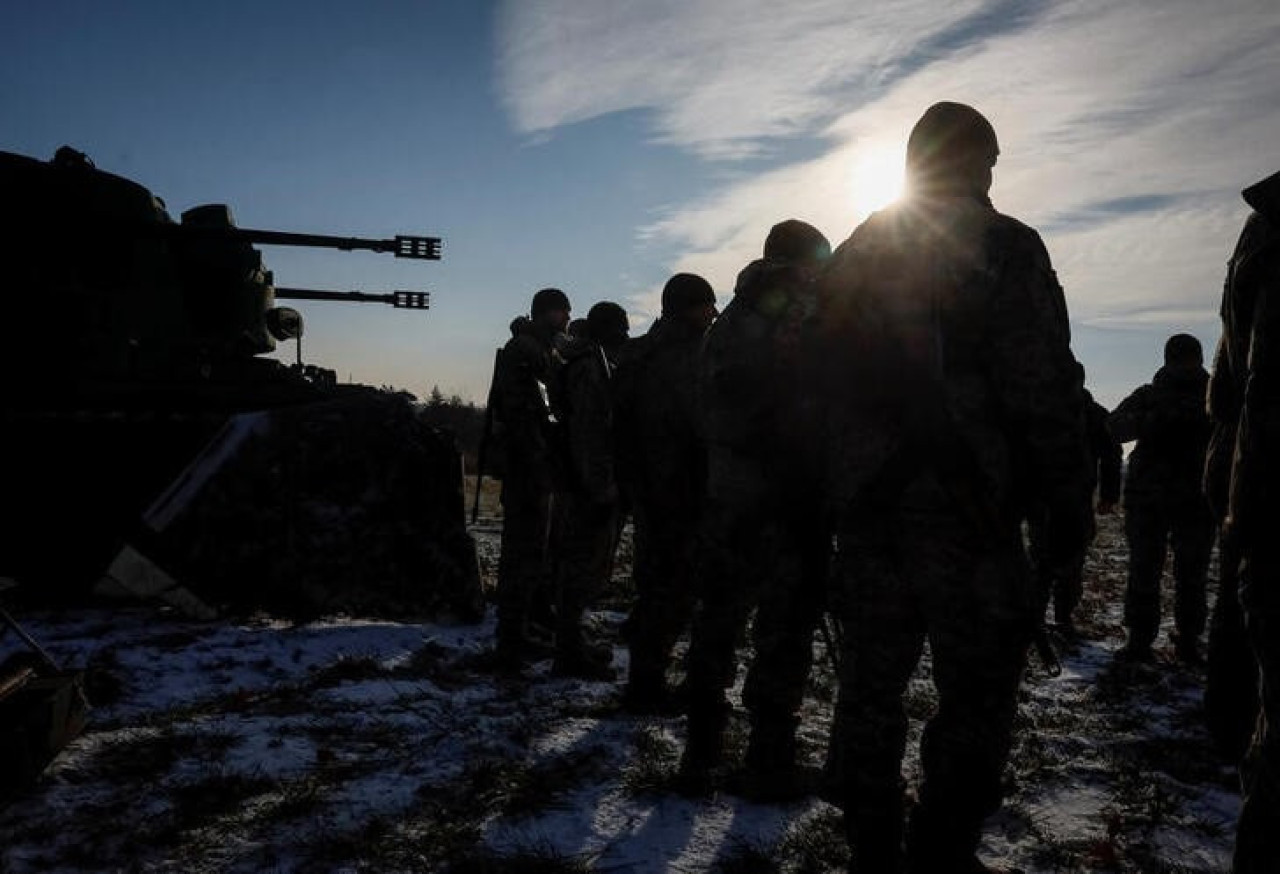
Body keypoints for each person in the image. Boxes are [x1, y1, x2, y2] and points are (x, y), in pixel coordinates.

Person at [816, 102, 1090, 873]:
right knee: (975, 692)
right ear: (980, 163)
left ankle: (870, 843)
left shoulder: (856, 250)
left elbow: (812, 374)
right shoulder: (1005, 245)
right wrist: (1066, 502)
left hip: (867, 504)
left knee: (870, 683)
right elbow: (1041, 386)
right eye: (991, 164)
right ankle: (941, 850)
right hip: (967, 511)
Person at [676, 220, 832, 798]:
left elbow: (708, 409)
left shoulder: (728, 320)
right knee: (783, 631)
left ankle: (700, 753)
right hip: (786, 501)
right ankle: (768, 761)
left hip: (728, 498)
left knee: (716, 624)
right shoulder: (804, 311)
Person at [1203, 169, 1279, 874]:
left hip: (1250, 496)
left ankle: (1222, 725)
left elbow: (1230, 392)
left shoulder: (1262, 229)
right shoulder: (1267, 230)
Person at [614, 273, 717, 713]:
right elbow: (702, 425)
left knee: (654, 585)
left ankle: (644, 679)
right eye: (706, 306)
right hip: (682, 489)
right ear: (690, 307)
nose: (712, 314)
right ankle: (648, 686)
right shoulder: (692, 355)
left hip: (645, 486)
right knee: (674, 590)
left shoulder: (636, 353)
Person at [1109, 333, 1214, 663]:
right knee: (1170, 571)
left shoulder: (1211, 397)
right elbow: (1115, 428)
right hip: (1166, 499)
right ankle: (1160, 640)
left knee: (1178, 571)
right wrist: (1154, 422)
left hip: (1177, 498)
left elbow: (1114, 428)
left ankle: (1169, 640)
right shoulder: (1156, 396)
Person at [490, 287, 572, 672]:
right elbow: (527, 415)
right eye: (561, 313)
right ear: (544, 314)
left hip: (536, 466)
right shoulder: (526, 352)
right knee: (522, 555)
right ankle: (511, 639)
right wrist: (540, 457)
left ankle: (518, 631)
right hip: (528, 469)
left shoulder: (538, 350)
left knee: (530, 555)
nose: (567, 320)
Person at [549, 301, 630, 680]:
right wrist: (599, 489)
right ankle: (568, 654)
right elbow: (587, 436)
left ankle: (572, 646)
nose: (625, 334)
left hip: (581, 482)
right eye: (620, 327)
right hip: (585, 486)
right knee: (578, 570)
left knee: (582, 570)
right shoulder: (588, 369)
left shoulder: (588, 361)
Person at [1027, 366, 1122, 635]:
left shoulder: (1040, 410)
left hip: (1046, 498)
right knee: (1069, 558)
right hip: (1071, 499)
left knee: (1043, 558)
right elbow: (1112, 455)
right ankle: (1060, 618)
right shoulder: (1093, 413)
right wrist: (1108, 496)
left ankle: (1040, 617)